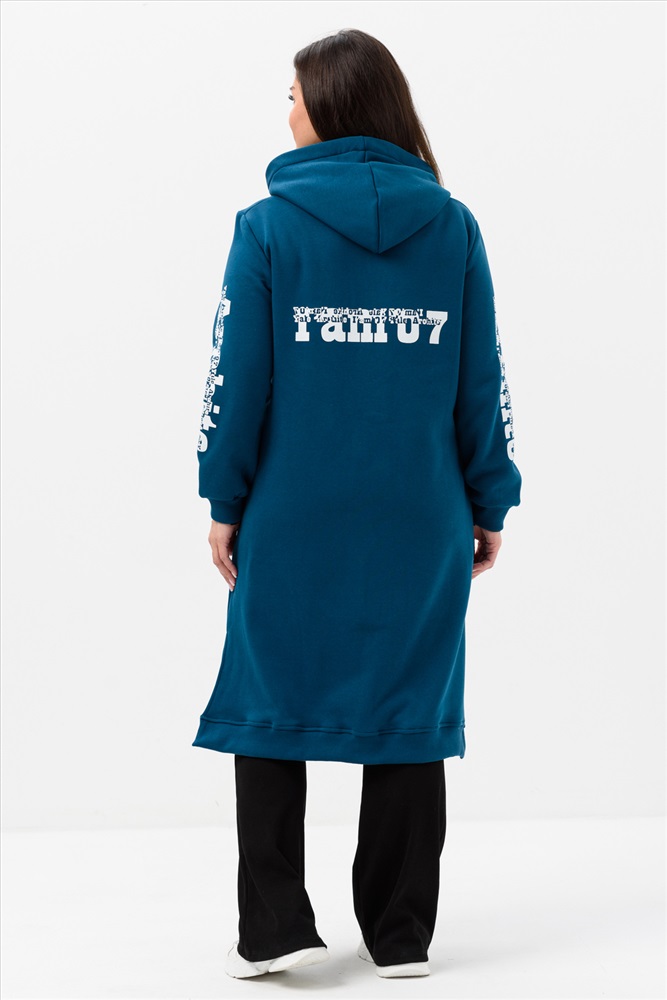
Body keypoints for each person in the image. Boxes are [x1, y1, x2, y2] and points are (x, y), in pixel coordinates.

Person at [192, 28, 522, 981]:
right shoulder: (452, 227)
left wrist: (224, 497)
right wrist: (489, 500)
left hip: (290, 513)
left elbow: (235, 382)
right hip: (421, 513)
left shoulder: (267, 228)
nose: (286, 111)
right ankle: (400, 934)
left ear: (331, 107)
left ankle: (273, 928)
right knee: (408, 705)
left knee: (269, 704)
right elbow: (480, 383)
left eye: (293, 96)